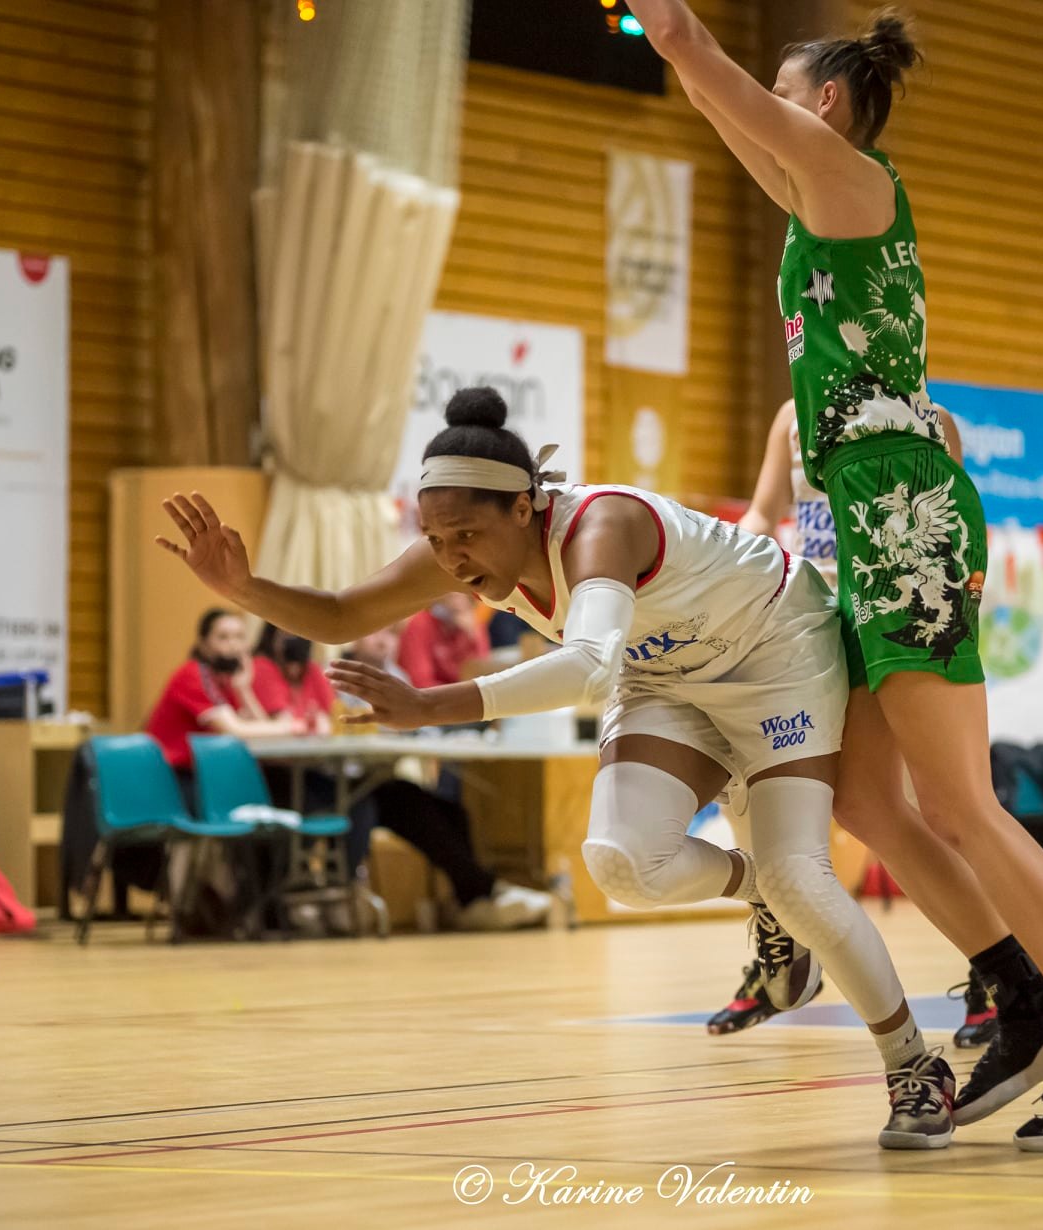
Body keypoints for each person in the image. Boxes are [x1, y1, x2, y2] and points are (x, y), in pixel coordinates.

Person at [626, 0, 1043, 1149]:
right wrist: (695, 70)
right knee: (871, 799)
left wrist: (677, 31)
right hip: (859, 510)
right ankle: (1018, 998)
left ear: (823, 103)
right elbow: (731, 123)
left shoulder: (856, 178)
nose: (768, 114)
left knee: (961, 802)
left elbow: (710, 78)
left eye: (785, 92)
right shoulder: (811, 201)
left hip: (903, 507)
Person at [158, 386, 955, 1149]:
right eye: (435, 540)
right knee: (623, 862)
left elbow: (586, 671)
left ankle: (914, 1065)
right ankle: (765, 896)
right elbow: (340, 615)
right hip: (666, 672)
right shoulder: (457, 546)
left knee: (802, 874)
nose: (451, 558)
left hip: (774, 650)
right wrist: (245, 587)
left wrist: (429, 704)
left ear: (524, 506)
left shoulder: (601, 525)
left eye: (465, 536)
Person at [714, 398, 998, 1051]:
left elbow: (951, 530)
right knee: (753, 773)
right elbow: (764, 510)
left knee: (938, 805)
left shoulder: (932, 417)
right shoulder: (790, 410)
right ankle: (782, 945)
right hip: (811, 619)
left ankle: (994, 964)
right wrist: (728, 569)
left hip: (893, 615)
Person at [256, 624, 550, 932]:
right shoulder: (335, 675)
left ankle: (473, 899)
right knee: (367, 808)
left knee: (446, 809)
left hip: (373, 777)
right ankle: (479, 892)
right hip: (330, 779)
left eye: (391, 635)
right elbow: (333, 725)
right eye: (375, 632)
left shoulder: (399, 677)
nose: (384, 640)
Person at [143, 609, 304, 783]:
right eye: (223, 638)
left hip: (206, 772)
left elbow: (261, 730)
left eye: (239, 637)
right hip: (170, 776)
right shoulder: (193, 674)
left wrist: (244, 690)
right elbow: (236, 730)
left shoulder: (227, 681)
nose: (233, 645)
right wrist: (292, 726)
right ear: (203, 644)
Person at [399, 591, 491, 688]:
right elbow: (421, 683)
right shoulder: (420, 624)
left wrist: (472, 636)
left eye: (460, 591)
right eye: (451, 592)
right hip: (435, 697)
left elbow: (483, 673)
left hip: (459, 694)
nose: (456, 595)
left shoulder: (473, 623)